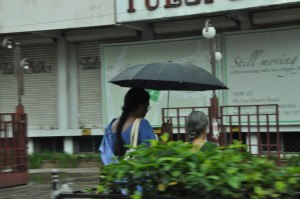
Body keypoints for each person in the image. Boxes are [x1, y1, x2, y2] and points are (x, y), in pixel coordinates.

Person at [99, 87, 156, 165]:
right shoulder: (143, 124)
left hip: (114, 174)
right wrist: (164, 136)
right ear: (140, 107)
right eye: (147, 107)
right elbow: (153, 153)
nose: (147, 110)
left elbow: (104, 155)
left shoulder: (111, 125)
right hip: (133, 175)